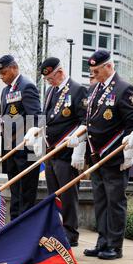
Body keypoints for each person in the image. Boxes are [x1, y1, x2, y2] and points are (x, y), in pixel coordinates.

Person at [78, 50, 133, 260]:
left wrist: (127, 153)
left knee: (115, 202)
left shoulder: (124, 89)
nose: (94, 74)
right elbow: (90, 121)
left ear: (108, 66)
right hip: (97, 157)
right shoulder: (95, 89)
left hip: (114, 157)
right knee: (101, 201)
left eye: (97, 70)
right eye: (92, 71)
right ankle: (102, 241)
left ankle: (115, 246)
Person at [25, 57, 88, 246]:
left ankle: (70, 234)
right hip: (51, 151)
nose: (49, 82)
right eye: (47, 80)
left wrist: (79, 147)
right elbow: (46, 117)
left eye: (51, 78)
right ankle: (56, 229)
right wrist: (38, 134)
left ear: (60, 73)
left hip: (68, 152)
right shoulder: (51, 91)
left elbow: (84, 121)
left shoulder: (78, 90)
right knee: (54, 195)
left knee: (68, 196)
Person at [0, 54, 42, 220]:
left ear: (14, 68)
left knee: (26, 191)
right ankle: (14, 221)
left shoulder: (27, 86)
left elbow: (36, 116)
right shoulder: (6, 90)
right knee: (14, 189)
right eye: (0, 74)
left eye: (4, 73)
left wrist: (31, 133)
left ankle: (24, 224)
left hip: (25, 148)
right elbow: (4, 115)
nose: (2, 77)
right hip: (10, 147)